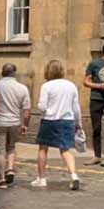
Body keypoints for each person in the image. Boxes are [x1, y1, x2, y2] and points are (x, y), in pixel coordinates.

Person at [31, 59, 85, 191]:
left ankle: (42, 178)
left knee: (43, 149)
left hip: (50, 120)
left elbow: (42, 107)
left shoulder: (47, 86)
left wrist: (42, 109)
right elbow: (76, 107)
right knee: (65, 149)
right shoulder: (71, 85)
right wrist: (78, 123)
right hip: (67, 120)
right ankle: (73, 175)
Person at [0, 63, 32, 189]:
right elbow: (27, 109)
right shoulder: (22, 88)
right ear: (14, 73)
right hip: (15, 122)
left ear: (2, 72)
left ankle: (1, 180)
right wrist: (25, 124)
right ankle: (9, 169)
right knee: (11, 147)